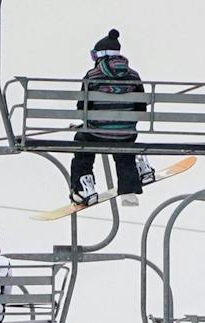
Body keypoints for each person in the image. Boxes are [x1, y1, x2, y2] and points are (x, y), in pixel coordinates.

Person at [69, 29, 148, 207]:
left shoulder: (92, 76)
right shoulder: (134, 76)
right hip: (126, 135)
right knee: (124, 147)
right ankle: (128, 191)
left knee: (82, 145)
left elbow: (82, 108)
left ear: (100, 56)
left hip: (96, 132)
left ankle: (83, 189)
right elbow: (141, 109)